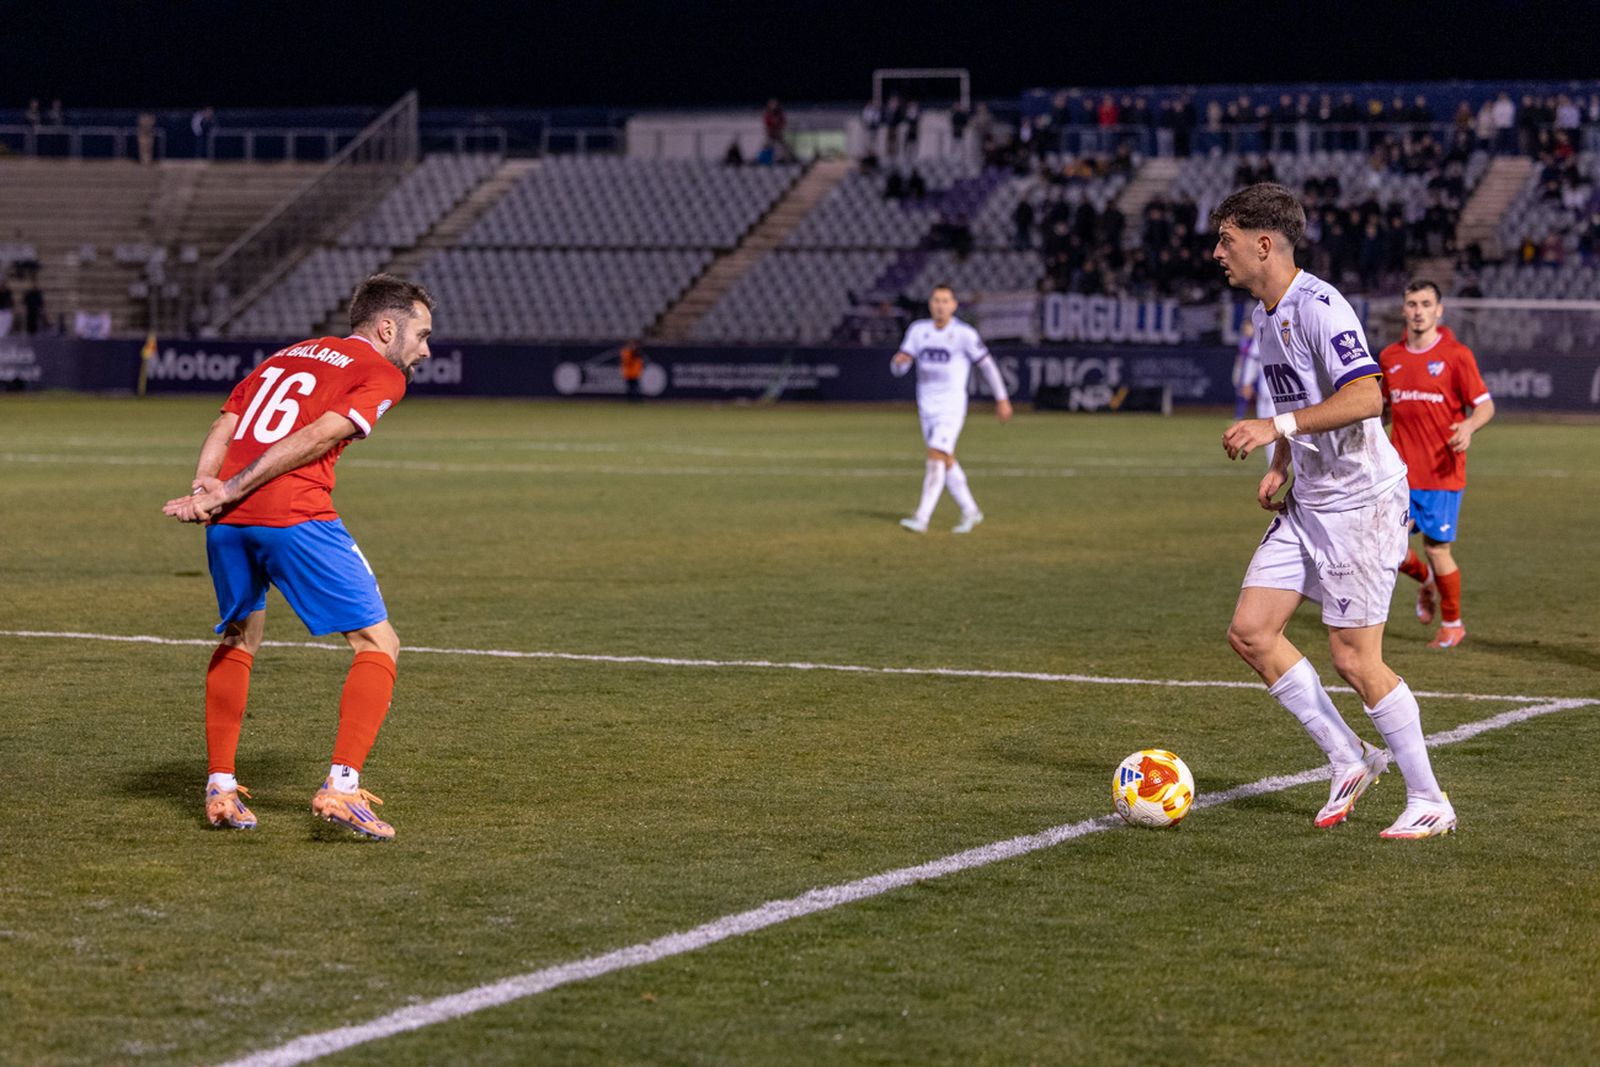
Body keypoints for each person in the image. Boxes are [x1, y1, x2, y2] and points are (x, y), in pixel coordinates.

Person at [1213, 183, 1455, 839]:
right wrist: (1284, 463)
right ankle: (1348, 755)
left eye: (1226, 241)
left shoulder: (1320, 306)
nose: (1217, 253)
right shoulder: (1266, 312)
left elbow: (1366, 396)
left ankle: (1429, 797)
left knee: (1354, 658)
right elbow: (1303, 394)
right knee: (1251, 631)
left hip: (1361, 503)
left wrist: (1273, 425)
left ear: (1264, 244)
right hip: (1310, 499)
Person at [161, 273, 434, 841]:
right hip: (292, 515)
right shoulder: (380, 371)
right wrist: (232, 487)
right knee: (379, 643)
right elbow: (318, 435)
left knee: (239, 637)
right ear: (387, 327)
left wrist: (206, 489)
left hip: (228, 524)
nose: (425, 350)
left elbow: (227, 422)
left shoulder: (285, 356)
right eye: (421, 334)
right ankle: (341, 787)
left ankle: (220, 789)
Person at [1379, 280, 1494, 649]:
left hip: (1443, 473)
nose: (1418, 310)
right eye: (1411, 303)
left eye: (1425, 304)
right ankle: (1427, 581)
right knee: (1386, 546)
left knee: (1436, 547)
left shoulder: (1456, 355)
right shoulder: (1390, 357)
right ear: (1403, 309)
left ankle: (1453, 623)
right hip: (1399, 474)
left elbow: (1485, 405)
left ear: (1438, 310)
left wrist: (1469, 425)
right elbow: (1381, 409)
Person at [890, 284, 1012, 534]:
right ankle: (971, 511)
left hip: (951, 407)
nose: (940, 305)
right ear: (930, 304)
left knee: (935, 457)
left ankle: (922, 518)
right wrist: (898, 363)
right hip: (926, 407)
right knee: (946, 461)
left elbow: (987, 365)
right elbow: (900, 366)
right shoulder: (918, 331)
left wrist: (1001, 398)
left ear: (954, 305)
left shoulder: (964, 334)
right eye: (936, 300)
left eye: (945, 300)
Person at [619, 338, 645, 402]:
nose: (633, 346)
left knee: (635, 388)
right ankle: (631, 400)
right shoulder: (627, 351)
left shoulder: (636, 352)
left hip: (635, 373)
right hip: (629, 373)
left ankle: (637, 400)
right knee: (631, 388)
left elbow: (640, 362)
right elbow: (626, 361)